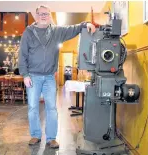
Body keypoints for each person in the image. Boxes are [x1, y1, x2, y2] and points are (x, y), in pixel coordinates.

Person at [18, 5, 96, 149]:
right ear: (36, 15)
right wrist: (25, 74)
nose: (43, 16)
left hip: (49, 77)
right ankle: (35, 135)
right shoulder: (28, 32)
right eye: (40, 14)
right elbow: (22, 54)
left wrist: (85, 24)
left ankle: (51, 138)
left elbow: (72, 29)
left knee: (52, 108)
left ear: (50, 16)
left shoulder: (56, 31)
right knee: (33, 107)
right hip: (33, 76)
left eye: (46, 14)